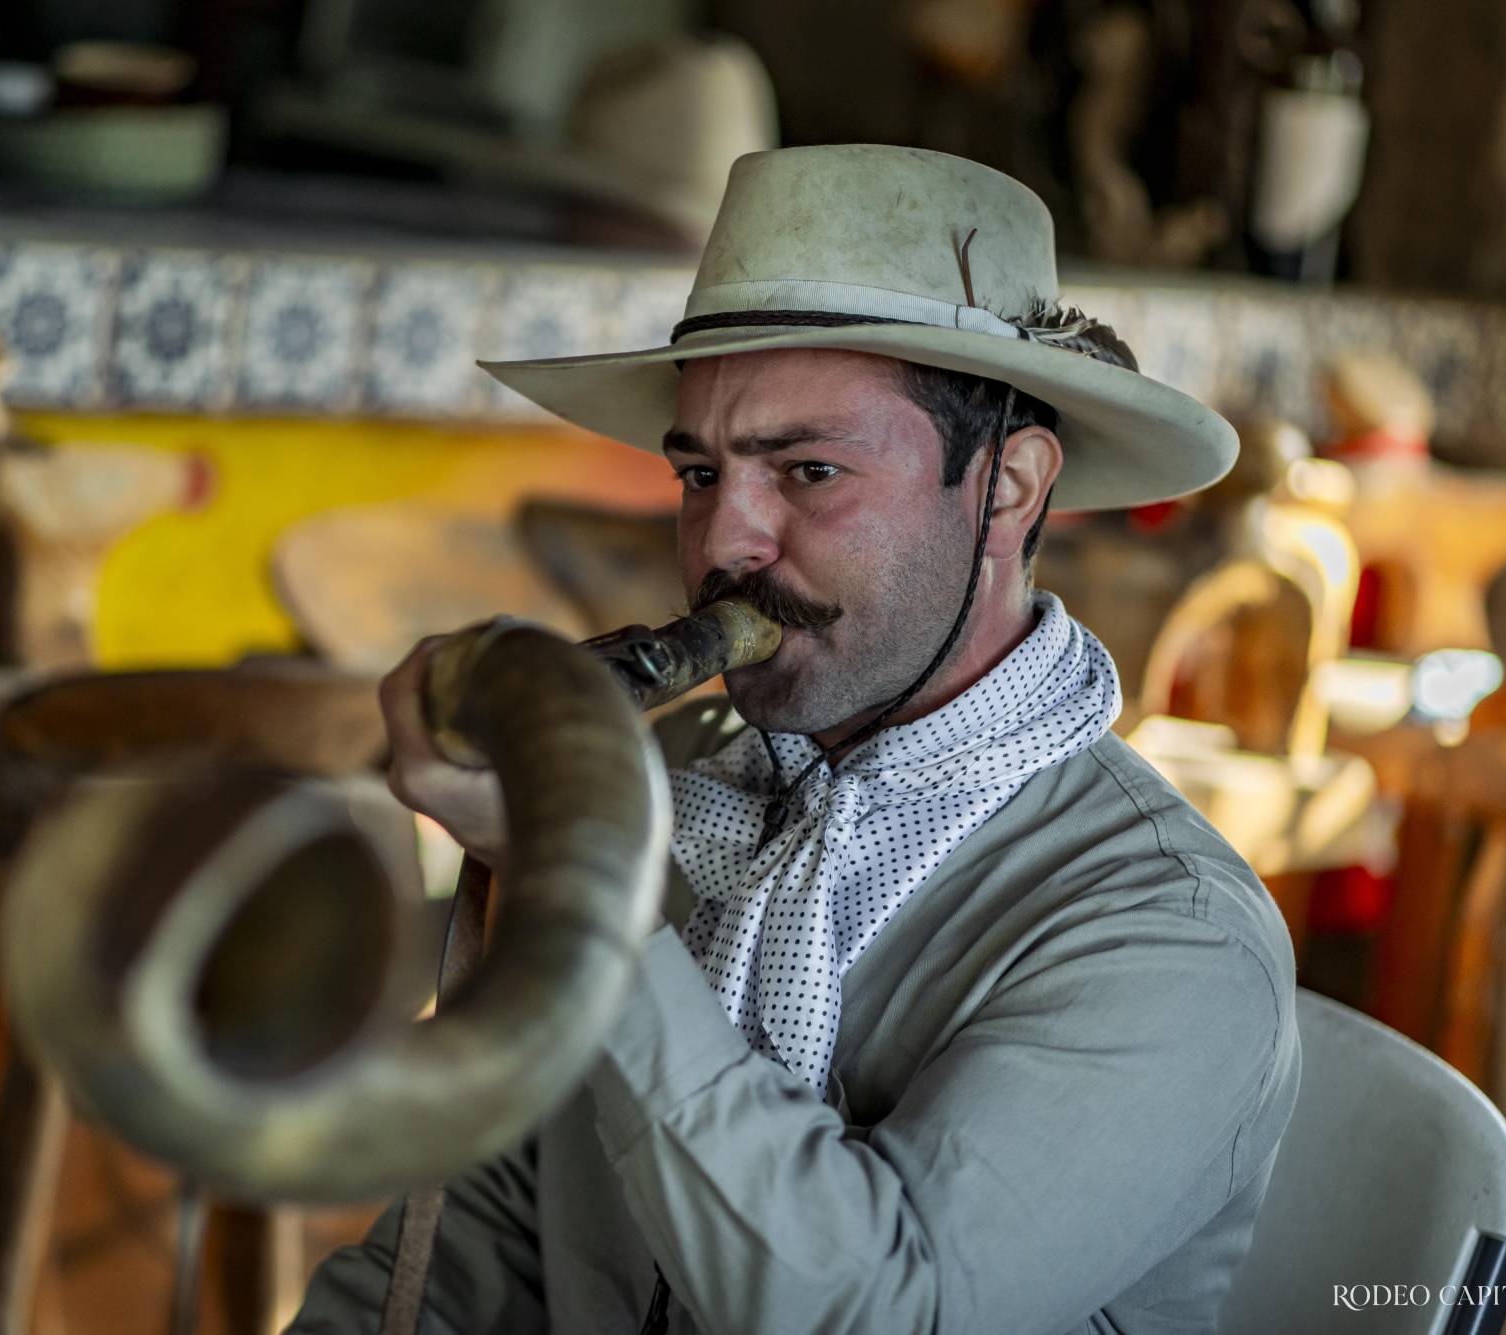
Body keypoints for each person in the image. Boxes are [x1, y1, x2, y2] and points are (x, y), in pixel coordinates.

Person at [288, 144, 1300, 1335]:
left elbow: (876, 1312)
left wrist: (581, 880)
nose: (726, 542)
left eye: (808, 472)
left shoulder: (1168, 935)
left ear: (1008, 488)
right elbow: (482, 1245)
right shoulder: (686, 811)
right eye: (699, 474)